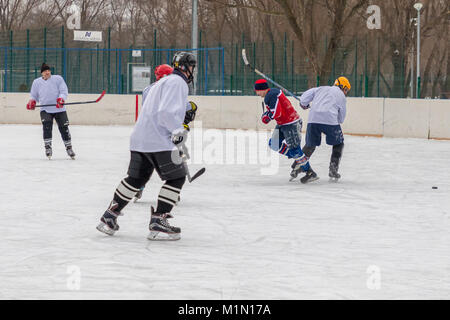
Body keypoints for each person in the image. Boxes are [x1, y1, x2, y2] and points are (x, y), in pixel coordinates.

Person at [96, 52, 197, 241]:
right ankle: (159, 219)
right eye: (191, 66)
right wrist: (177, 130)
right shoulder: (178, 82)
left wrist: (183, 114)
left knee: (136, 178)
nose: (192, 70)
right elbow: (166, 112)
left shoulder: (159, 84)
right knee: (177, 177)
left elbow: (164, 109)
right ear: (185, 67)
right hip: (157, 140)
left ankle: (109, 217)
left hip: (140, 139)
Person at [254, 79, 317, 183]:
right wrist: (268, 114)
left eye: (257, 90)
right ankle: (299, 160)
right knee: (274, 144)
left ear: (261, 89)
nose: (256, 93)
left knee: (295, 150)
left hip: (291, 124)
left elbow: (276, 112)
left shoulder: (271, 95)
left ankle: (310, 172)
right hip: (283, 124)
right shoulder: (271, 94)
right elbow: (276, 111)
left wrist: (267, 117)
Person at [133, 64, 174, 202]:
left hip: (147, 131)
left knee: (147, 161)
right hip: (163, 131)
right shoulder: (170, 89)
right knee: (170, 161)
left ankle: (139, 186)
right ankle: (173, 190)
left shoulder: (148, 89)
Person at [299, 76, 350, 181]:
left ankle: (297, 166)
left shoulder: (320, 89)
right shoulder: (341, 95)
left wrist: (304, 105)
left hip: (313, 120)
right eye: (346, 90)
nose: (345, 92)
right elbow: (341, 118)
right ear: (342, 87)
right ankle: (333, 169)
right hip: (330, 121)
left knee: (310, 145)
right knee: (339, 143)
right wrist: (336, 119)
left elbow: (303, 100)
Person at [26, 63, 75, 159]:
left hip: (59, 108)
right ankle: (48, 147)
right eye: (45, 71)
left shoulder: (58, 79)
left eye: (48, 70)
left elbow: (64, 91)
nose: (47, 72)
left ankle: (69, 148)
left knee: (64, 128)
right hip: (45, 109)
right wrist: (32, 101)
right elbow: (33, 95)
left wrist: (61, 99)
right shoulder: (36, 82)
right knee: (47, 127)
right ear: (42, 73)